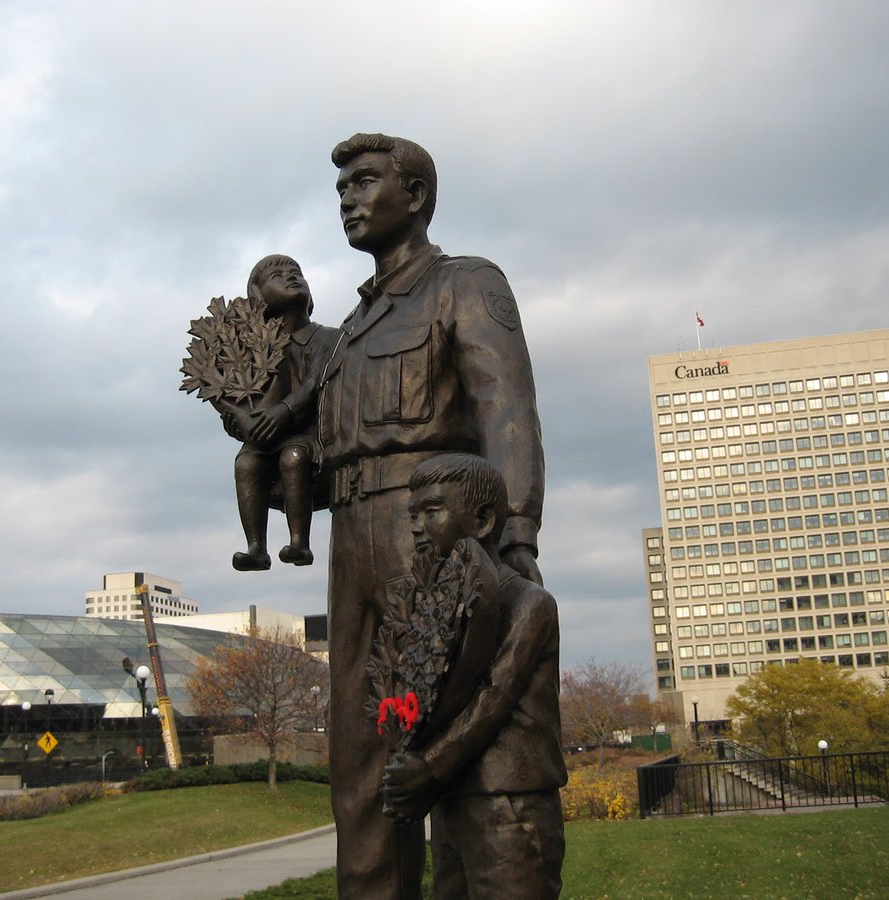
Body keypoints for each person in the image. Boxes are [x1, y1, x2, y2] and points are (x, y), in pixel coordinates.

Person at [318, 133, 545, 900]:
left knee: (445, 737)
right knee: (358, 759)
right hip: (349, 540)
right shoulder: (349, 330)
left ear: (414, 195)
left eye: (364, 181)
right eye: (341, 185)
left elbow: (505, 411)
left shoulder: (465, 284)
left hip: (436, 534)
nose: (346, 196)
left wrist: (514, 537)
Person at [382, 453, 566, 899]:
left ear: (483, 519)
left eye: (432, 511)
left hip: (510, 803)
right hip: (452, 800)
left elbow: (493, 697)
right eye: (413, 515)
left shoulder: (528, 604)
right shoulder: (434, 609)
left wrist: (427, 767)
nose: (417, 526)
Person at [226, 255, 337, 571]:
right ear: (258, 295)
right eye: (278, 274)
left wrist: (283, 413)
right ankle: (256, 547)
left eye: (297, 272)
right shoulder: (254, 349)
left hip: (308, 433)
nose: (292, 277)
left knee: (293, 458)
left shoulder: (326, 337)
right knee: (246, 462)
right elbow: (243, 397)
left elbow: (315, 384)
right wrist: (239, 422)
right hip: (266, 436)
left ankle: (299, 543)